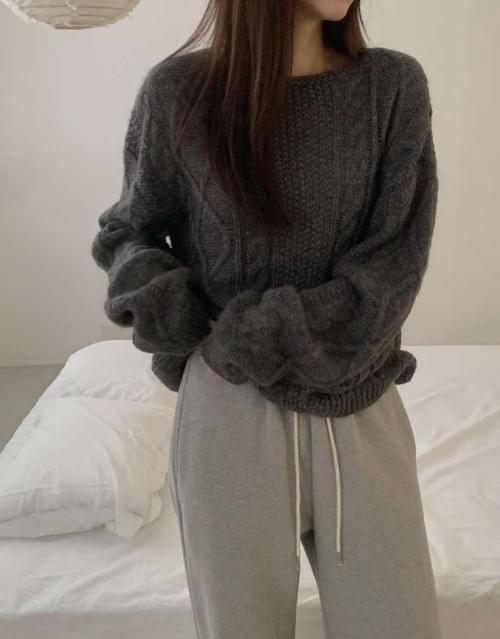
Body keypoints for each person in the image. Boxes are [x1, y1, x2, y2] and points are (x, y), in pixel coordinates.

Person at [90, 1, 443, 637]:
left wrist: (250, 333)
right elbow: (128, 231)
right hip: (228, 411)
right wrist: (180, 317)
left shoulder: (392, 86)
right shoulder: (177, 93)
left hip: (358, 404)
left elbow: (393, 266)